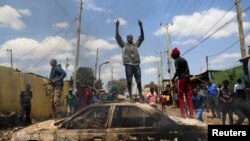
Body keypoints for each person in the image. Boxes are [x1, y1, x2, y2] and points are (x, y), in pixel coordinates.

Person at [115, 19, 144, 102]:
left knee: (138, 81)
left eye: (130, 37)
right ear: (126, 39)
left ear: (132, 38)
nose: (129, 38)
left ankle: (140, 96)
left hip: (136, 64)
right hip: (128, 64)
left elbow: (141, 37)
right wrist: (117, 26)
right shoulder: (124, 45)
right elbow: (117, 37)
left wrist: (141, 26)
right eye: (127, 37)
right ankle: (131, 97)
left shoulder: (136, 44)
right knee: (129, 81)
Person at [171, 47, 194, 118]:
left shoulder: (177, 61)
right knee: (188, 96)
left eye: (172, 56)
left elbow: (177, 71)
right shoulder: (184, 60)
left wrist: (173, 78)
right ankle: (191, 114)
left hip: (182, 79)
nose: (172, 57)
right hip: (188, 78)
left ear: (174, 55)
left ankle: (183, 114)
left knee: (180, 96)